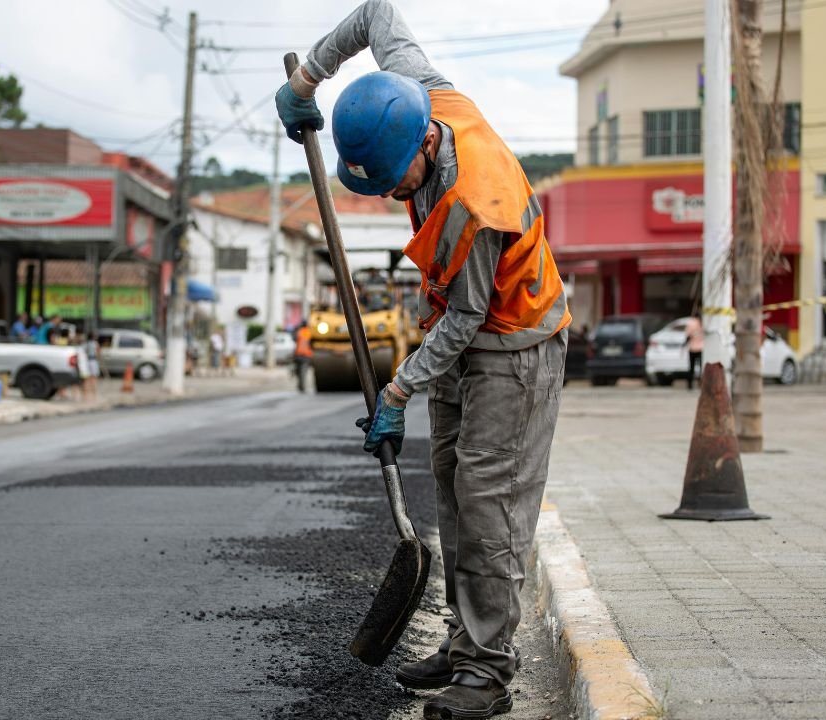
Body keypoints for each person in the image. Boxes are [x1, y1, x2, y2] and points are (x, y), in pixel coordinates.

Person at [277, 4, 571, 717]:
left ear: (424, 143)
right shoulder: (418, 91)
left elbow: (470, 317)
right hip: (458, 332)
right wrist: (309, 78)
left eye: (395, 181)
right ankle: (464, 641)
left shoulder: (475, 201)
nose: (393, 194)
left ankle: (487, 674)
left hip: (515, 344)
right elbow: (376, 12)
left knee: (488, 505)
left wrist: (398, 391)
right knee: (451, 489)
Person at [685, 313, 704, 390]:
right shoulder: (703, 323)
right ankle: (700, 383)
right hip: (701, 348)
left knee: (691, 367)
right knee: (701, 367)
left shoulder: (691, 323)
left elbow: (687, 336)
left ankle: (690, 384)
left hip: (692, 348)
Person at [293, 322, 313, 393]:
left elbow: (294, 339)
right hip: (307, 355)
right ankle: (302, 386)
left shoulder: (299, 332)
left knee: (298, 371)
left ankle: (300, 386)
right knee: (304, 371)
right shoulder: (310, 332)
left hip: (298, 354)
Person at [81, 331, 101, 400]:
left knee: (86, 379)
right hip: (93, 361)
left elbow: (83, 353)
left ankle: (85, 396)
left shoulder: (85, 344)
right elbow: (98, 353)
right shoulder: (95, 344)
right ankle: (94, 395)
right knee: (94, 379)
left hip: (86, 361)